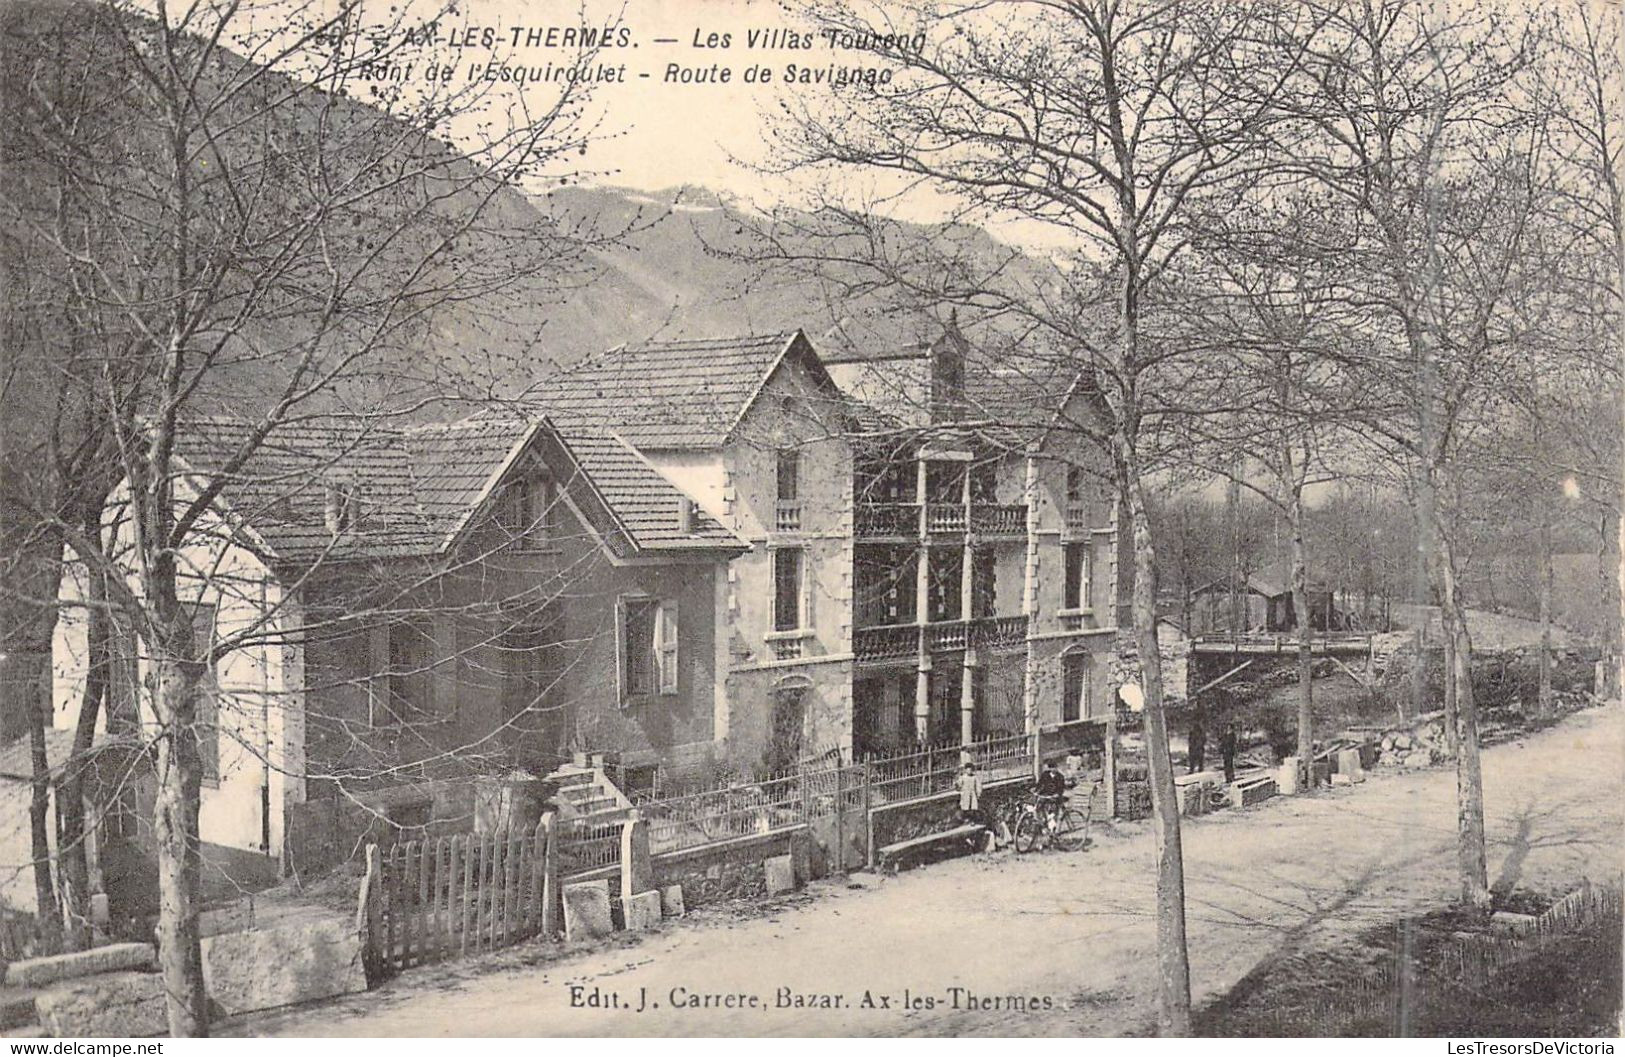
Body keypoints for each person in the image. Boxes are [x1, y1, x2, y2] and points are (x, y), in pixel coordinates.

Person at [1034, 757, 1072, 831]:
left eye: (1054, 767)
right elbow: (1040, 784)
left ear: (1056, 768)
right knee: (1038, 808)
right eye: (1051, 768)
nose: (1053, 769)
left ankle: (1052, 831)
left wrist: (1057, 794)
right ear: (1049, 768)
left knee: (1052, 814)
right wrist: (1036, 791)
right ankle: (1042, 824)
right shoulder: (1045, 775)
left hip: (1055, 798)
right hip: (1046, 795)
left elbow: (1061, 788)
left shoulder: (1060, 776)